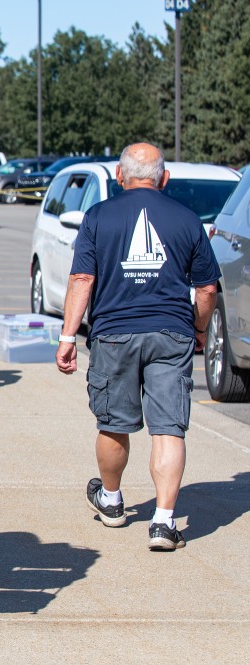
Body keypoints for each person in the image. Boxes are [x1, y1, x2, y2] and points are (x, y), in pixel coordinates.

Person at [56, 142, 219, 552]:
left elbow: (82, 280)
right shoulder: (187, 220)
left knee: (113, 423)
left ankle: (111, 501)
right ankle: (163, 523)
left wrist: (67, 336)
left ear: (118, 175)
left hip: (114, 334)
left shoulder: (98, 216)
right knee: (168, 428)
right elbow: (206, 288)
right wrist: (199, 328)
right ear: (164, 178)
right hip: (172, 333)